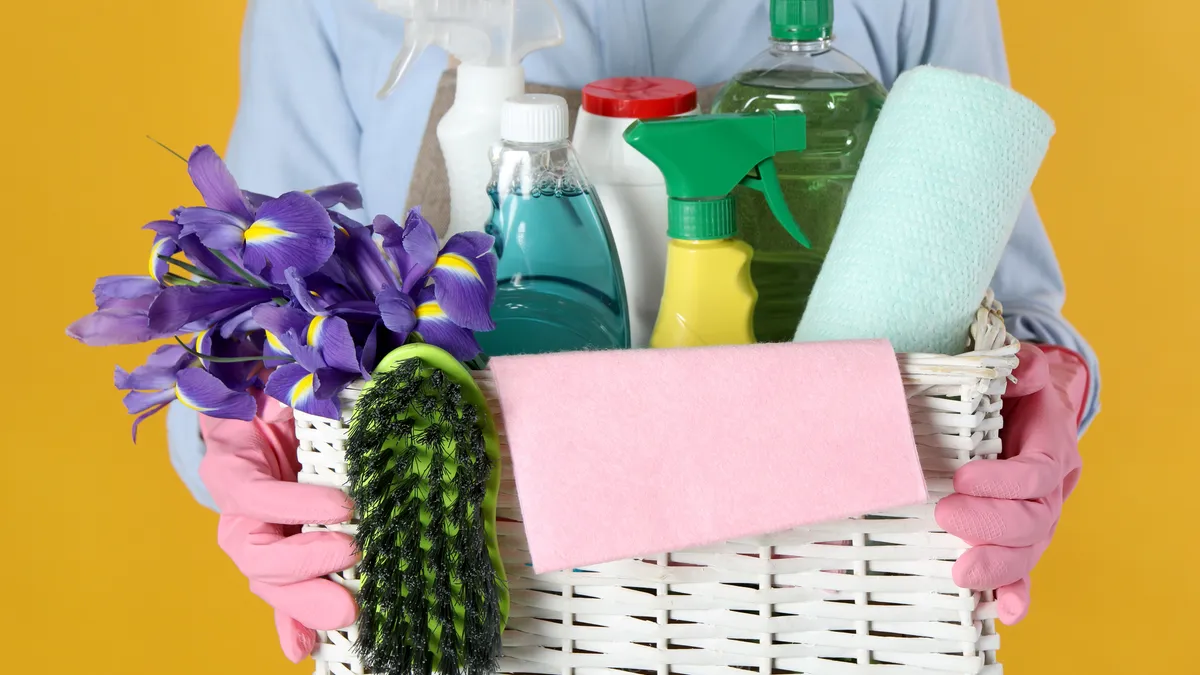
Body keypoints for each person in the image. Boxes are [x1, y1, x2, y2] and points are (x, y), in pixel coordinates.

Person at [172, 0, 1100, 662]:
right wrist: (246, 433)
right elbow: (252, 328)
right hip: (481, 605)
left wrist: (1044, 392)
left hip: (822, 608)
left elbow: (1005, 318)